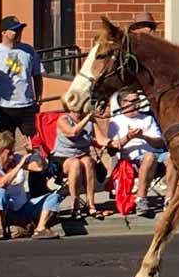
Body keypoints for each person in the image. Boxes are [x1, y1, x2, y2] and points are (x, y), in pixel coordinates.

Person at [0, 131, 61, 240]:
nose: (12, 154)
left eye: (12, 150)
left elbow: (39, 167)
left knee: (54, 197)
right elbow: (1, 183)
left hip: (21, 208)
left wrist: (33, 152)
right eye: (9, 152)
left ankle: (40, 228)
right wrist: (19, 166)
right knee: (0, 191)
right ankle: (1, 228)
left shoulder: (16, 158)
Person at [0, 15, 43, 139]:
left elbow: (37, 74)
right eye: (14, 30)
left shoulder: (28, 50)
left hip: (27, 106)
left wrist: (38, 98)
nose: (19, 32)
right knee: (4, 146)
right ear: (4, 33)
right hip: (4, 108)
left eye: (20, 29)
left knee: (34, 142)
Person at [107, 88, 166, 217]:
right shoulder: (115, 122)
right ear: (123, 103)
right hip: (133, 160)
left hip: (155, 154)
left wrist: (143, 137)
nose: (137, 104)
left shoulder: (147, 119)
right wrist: (129, 137)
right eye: (133, 101)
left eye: (137, 101)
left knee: (173, 157)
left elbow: (160, 142)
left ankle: (170, 199)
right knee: (149, 157)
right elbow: (112, 149)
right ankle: (141, 199)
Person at [52, 99, 109, 219]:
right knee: (75, 164)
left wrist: (122, 140)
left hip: (83, 156)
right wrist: (88, 117)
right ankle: (75, 205)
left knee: (88, 162)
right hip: (63, 157)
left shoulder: (89, 120)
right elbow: (73, 132)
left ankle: (91, 205)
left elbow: (101, 139)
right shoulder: (63, 120)